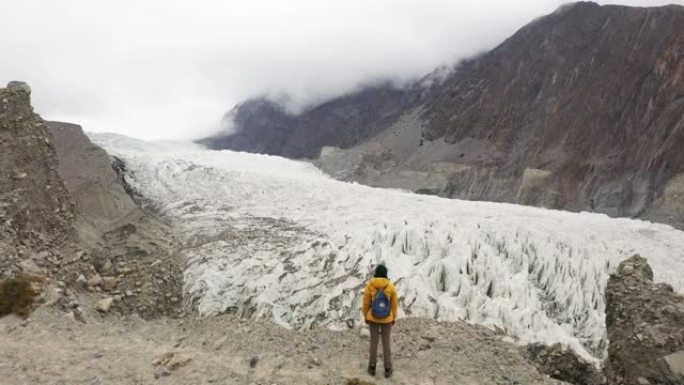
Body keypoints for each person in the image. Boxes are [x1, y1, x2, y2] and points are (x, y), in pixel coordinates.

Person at [362, 263, 398, 378]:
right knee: (386, 343)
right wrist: (393, 317)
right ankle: (387, 369)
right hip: (387, 319)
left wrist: (366, 316)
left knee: (374, 343)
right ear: (385, 274)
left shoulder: (370, 286)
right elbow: (394, 305)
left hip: (373, 318)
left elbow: (366, 303)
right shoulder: (391, 286)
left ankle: (372, 367)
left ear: (376, 274)